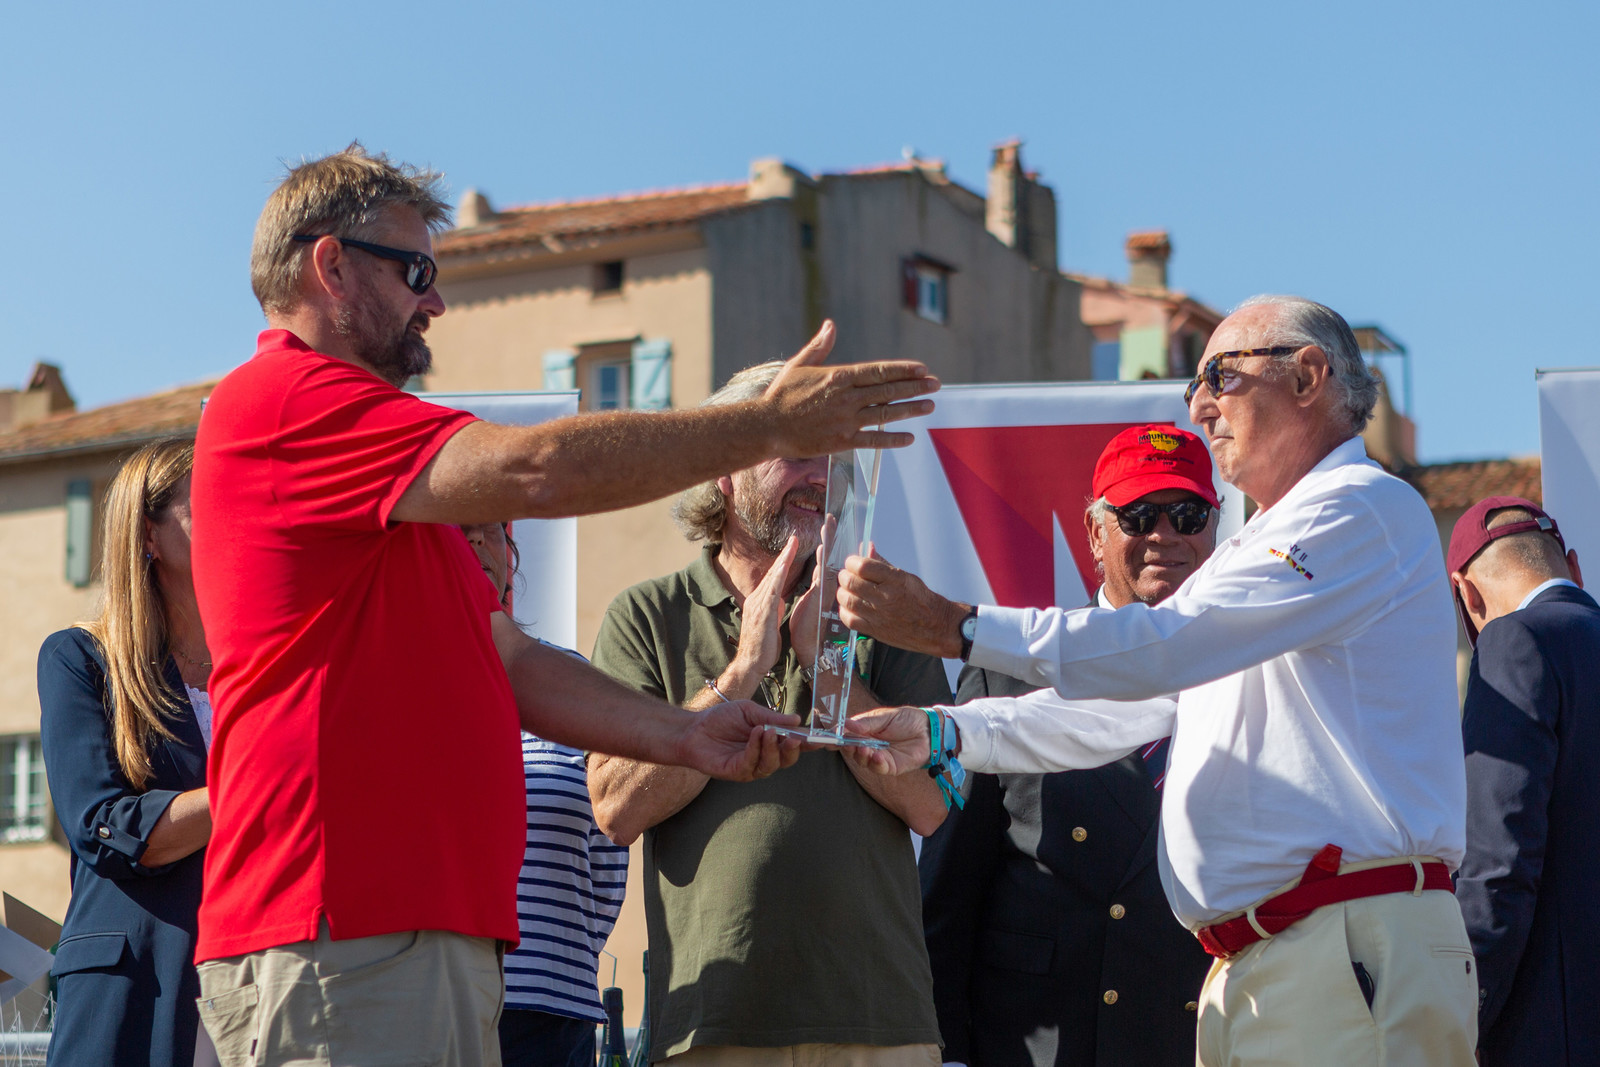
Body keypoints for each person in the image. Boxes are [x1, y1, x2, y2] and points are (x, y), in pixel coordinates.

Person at [188, 144, 938, 1067]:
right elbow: (534, 468)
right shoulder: (286, 400)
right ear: (329, 264)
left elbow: (510, 662)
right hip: (340, 921)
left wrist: (681, 734)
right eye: (414, 269)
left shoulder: (388, 490)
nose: (436, 301)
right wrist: (765, 424)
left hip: (409, 927)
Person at [837, 296, 1477, 1066]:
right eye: (1196, 384)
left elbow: (1162, 646)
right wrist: (947, 730)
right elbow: (1126, 707)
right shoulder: (1273, 542)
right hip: (1280, 961)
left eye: (1220, 375)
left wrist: (957, 624)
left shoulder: (1359, 507)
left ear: (1308, 376)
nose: (1202, 402)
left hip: (1340, 946)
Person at [586, 361, 953, 1067]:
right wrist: (741, 672)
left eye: (832, 458)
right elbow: (615, 806)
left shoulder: (882, 611)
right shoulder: (648, 615)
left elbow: (933, 802)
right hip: (709, 1026)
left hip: (880, 1022)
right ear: (725, 467)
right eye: (797, 453)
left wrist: (828, 665)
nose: (820, 475)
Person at [920, 424, 1216, 1067]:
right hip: (1043, 1040)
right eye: (1138, 515)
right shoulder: (1010, 672)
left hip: (1193, 1034)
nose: (1165, 535)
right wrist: (947, 1055)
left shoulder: (1247, 670)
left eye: (1188, 513)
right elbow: (949, 890)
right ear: (1094, 533)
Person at [37, 439, 216, 1067]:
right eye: (209, 507)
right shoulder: (80, 659)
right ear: (148, 535)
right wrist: (256, 785)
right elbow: (103, 829)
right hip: (136, 989)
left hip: (261, 980)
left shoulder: (262, 671)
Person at [462, 521, 629, 1067]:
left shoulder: (566, 684)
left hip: (554, 1011)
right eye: (459, 530)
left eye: (492, 533)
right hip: (436, 998)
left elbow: (606, 854)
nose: (480, 545)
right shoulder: (391, 680)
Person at [1446, 497, 1600, 1066]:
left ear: (1468, 595)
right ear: (1575, 569)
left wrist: (1461, 1018)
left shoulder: (1513, 643)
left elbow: (1498, 865)